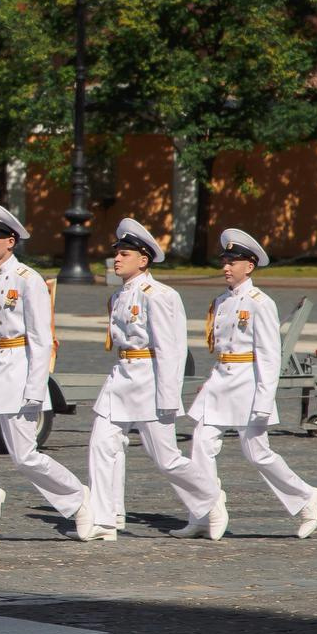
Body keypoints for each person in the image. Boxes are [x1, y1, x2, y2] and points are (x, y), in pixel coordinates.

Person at [0, 202, 89, 545]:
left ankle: (79, 499)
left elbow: (41, 339)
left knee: (24, 456)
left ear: (10, 241)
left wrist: (36, 390)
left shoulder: (28, 281)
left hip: (17, 373)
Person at [83, 218, 223, 543]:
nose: (117, 258)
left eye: (124, 254)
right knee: (101, 445)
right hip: (120, 379)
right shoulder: (120, 295)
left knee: (167, 458)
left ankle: (210, 500)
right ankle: (106, 518)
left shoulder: (158, 295)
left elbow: (170, 350)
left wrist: (169, 398)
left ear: (143, 260)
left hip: (149, 382)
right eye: (116, 253)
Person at [181, 229, 317, 540]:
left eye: (233, 261)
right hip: (221, 383)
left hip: (248, 385)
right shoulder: (220, 301)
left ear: (250, 266)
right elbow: (222, 351)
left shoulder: (261, 303)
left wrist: (263, 400)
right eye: (224, 260)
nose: (226, 267)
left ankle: (306, 497)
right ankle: (204, 512)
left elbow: (270, 356)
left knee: (257, 453)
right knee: (201, 444)